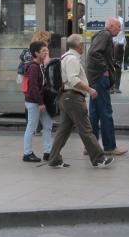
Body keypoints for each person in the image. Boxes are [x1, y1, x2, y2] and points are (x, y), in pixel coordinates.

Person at [47, 34, 114, 169]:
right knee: (86, 130)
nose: (84, 46)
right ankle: (99, 159)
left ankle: (54, 159)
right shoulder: (72, 59)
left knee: (64, 130)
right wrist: (90, 90)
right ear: (79, 45)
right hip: (73, 98)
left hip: (66, 97)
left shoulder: (65, 57)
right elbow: (73, 80)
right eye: (82, 43)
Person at [86, 17, 127, 156]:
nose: (120, 29)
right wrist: (106, 70)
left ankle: (91, 147)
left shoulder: (101, 35)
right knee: (106, 113)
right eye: (118, 26)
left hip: (94, 79)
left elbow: (94, 53)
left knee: (94, 114)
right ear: (110, 26)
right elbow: (94, 53)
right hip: (100, 78)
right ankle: (110, 147)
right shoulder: (106, 34)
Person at [22, 41, 53, 163]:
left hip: (42, 101)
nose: (46, 53)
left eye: (47, 50)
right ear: (36, 53)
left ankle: (48, 152)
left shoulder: (42, 65)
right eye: (44, 51)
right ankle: (27, 153)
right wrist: (40, 103)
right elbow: (33, 87)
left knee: (48, 126)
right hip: (35, 102)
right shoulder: (34, 67)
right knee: (32, 127)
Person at [111, 16, 125, 93]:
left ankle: (117, 86)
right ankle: (111, 86)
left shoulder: (122, 20)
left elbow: (123, 33)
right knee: (109, 65)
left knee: (118, 66)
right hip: (110, 44)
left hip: (119, 45)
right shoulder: (109, 19)